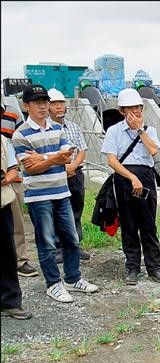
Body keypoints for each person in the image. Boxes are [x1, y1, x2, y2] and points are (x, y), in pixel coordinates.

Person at [12, 85, 98, 303]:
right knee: (47, 243)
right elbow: (29, 168)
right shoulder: (20, 134)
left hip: (62, 192)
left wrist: (42, 157)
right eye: (37, 102)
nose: (42, 106)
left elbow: (68, 157)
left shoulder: (57, 129)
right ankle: (53, 284)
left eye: (45, 102)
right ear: (26, 106)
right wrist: (53, 158)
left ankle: (72, 278)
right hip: (39, 196)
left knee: (72, 239)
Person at [101, 88, 160, 285]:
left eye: (138, 108)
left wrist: (140, 129)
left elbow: (154, 150)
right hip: (124, 177)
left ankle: (154, 268)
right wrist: (131, 178)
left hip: (146, 177)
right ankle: (132, 267)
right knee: (129, 224)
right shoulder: (114, 131)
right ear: (122, 111)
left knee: (148, 224)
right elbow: (111, 161)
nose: (135, 113)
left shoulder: (149, 130)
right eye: (130, 109)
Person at [47, 88, 90, 262]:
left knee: (76, 208)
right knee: (57, 210)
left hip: (75, 173)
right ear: (48, 107)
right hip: (56, 173)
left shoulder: (73, 127)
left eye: (61, 103)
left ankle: (75, 245)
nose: (59, 107)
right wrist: (64, 166)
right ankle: (58, 248)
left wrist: (73, 166)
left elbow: (82, 150)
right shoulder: (47, 129)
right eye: (55, 104)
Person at [1, 100, 39, 277]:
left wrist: (14, 169)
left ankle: (20, 260)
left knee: (16, 222)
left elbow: (19, 143)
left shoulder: (12, 114)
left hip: (11, 176)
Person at [1, 131, 32, 319]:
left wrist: (6, 179)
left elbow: (13, 168)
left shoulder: (3, 140)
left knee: (6, 254)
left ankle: (10, 302)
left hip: (2, 202)